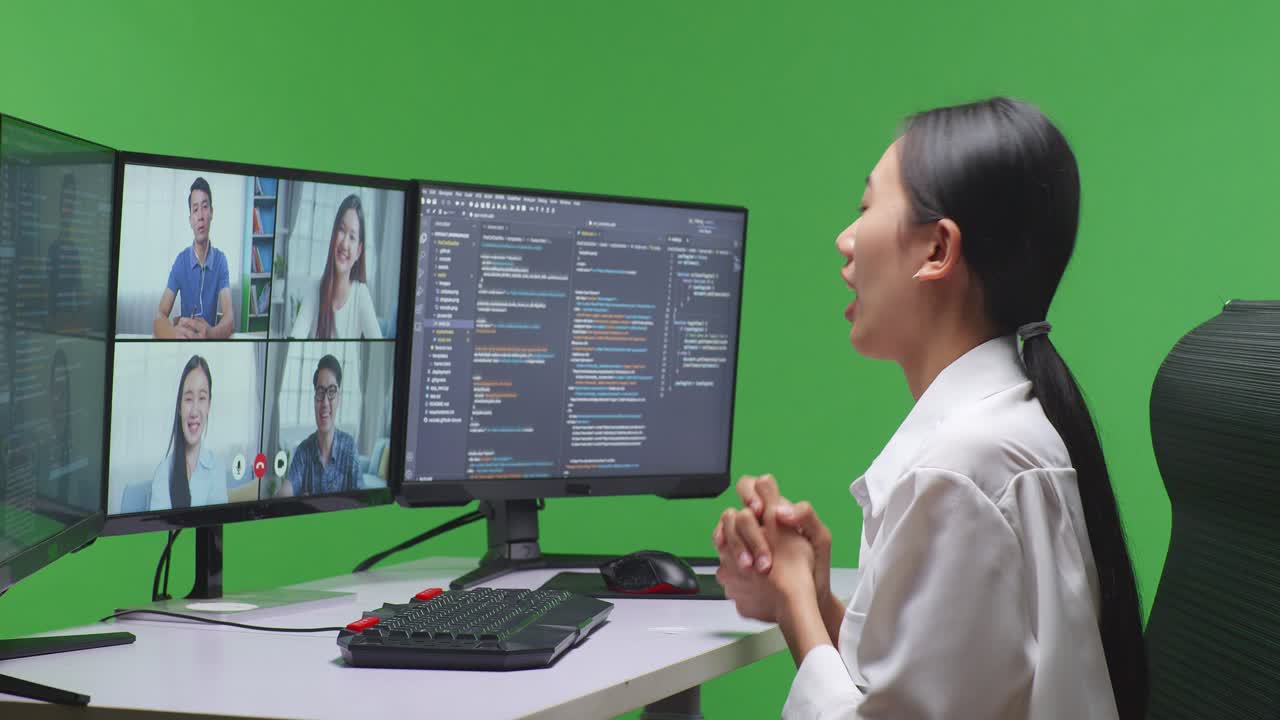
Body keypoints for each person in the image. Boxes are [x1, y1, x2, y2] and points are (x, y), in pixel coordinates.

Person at [712, 98, 1148, 719]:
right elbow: (942, 688)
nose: (844, 240)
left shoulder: (959, 470)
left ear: (937, 250)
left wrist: (793, 605)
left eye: (865, 208)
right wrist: (812, 592)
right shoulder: (999, 435)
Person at [289, 194, 381, 339]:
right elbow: (295, 337)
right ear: (333, 235)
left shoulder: (361, 295)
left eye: (352, 237)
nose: (344, 244)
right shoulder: (314, 290)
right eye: (341, 230)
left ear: (358, 251)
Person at [153, 177, 234, 339]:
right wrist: (174, 334)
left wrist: (210, 333)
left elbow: (229, 319)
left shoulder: (220, 260)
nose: (200, 216)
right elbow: (159, 316)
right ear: (190, 219)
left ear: (211, 212)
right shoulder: (181, 261)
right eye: (195, 209)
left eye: (205, 207)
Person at [149, 355, 228, 510]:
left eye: (202, 398)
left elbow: (216, 527)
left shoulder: (217, 468)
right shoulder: (163, 473)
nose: (194, 411)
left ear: (209, 406)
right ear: (179, 406)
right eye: (189, 399)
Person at [276, 354, 359, 497]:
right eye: (320, 393)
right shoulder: (303, 451)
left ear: (338, 399)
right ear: (314, 399)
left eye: (331, 392)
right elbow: (286, 489)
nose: (325, 403)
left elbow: (363, 502)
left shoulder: (349, 449)